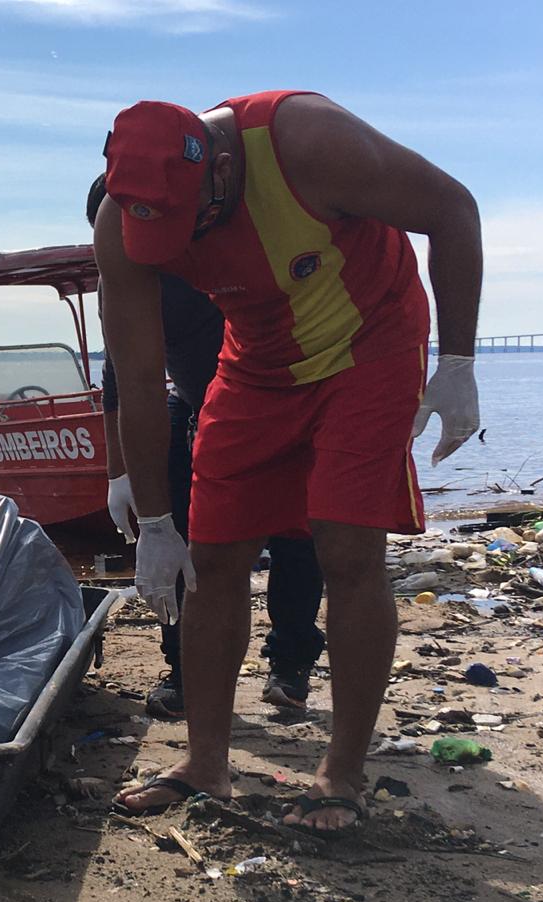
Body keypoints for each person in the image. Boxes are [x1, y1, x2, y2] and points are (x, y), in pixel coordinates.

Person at [95, 91, 481, 833]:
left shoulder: (307, 142)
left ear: (220, 170)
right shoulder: (122, 221)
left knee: (346, 547)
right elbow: (137, 380)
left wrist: (458, 361)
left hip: (370, 344)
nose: (176, 245)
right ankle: (205, 763)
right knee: (211, 555)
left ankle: (342, 774)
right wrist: (155, 521)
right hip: (257, 361)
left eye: (188, 225)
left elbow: (454, 209)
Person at [87, 175, 326, 718]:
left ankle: (291, 664)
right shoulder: (119, 280)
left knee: (296, 535)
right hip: (193, 404)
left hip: (274, 403)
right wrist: (119, 475)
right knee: (176, 540)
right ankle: (185, 672)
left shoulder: (215, 250)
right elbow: (121, 379)